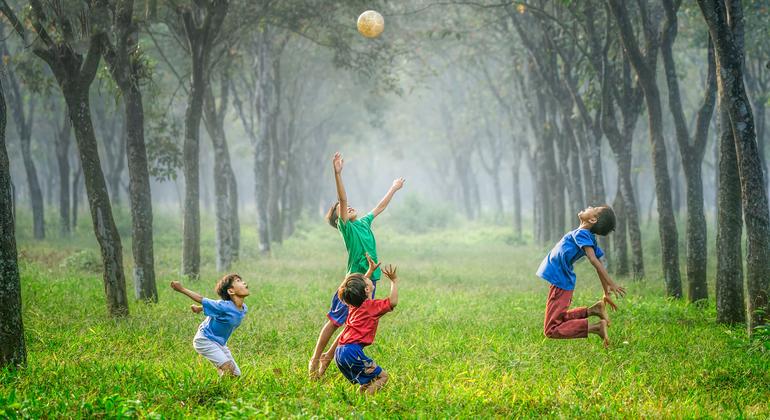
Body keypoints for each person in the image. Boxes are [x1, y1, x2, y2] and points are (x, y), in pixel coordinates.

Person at [308, 152, 404, 378]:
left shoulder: (363, 223)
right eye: (342, 209)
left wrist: (393, 188)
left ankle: (328, 358)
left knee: (354, 323)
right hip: (354, 284)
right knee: (334, 322)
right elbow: (342, 199)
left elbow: (379, 207)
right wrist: (337, 173)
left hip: (370, 282)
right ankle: (316, 359)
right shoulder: (347, 229)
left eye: (349, 206)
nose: (348, 207)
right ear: (338, 219)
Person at [536, 205, 625, 347]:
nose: (589, 206)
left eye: (593, 208)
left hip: (561, 282)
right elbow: (598, 263)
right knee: (560, 318)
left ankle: (596, 328)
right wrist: (605, 291)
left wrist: (611, 283)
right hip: (561, 281)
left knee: (551, 329)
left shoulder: (582, 234)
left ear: (593, 219)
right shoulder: (585, 235)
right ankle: (593, 310)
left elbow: (594, 261)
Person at [335, 256, 399, 394]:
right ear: (366, 289)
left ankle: (359, 400)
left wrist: (369, 271)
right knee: (383, 377)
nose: (367, 278)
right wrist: (394, 281)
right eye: (366, 279)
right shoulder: (371, 306)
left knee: (369, 380)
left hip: (340, 352)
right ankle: (366, 403)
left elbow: (357, 288)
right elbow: (393, 302)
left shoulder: (354, 304)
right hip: (352, 352)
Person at [170, 274, 249, 376]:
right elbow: (202, 299)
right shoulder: (223, 306)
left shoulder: (243, 308)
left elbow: (216, 308)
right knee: (228, 369)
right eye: (238, 281)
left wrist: (199, 308)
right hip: (205, 339)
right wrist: (182, 289)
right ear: (231, 291)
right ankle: (218, 390)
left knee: (235, 375)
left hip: (220, 344)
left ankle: (222, 383)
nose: (244, 283)